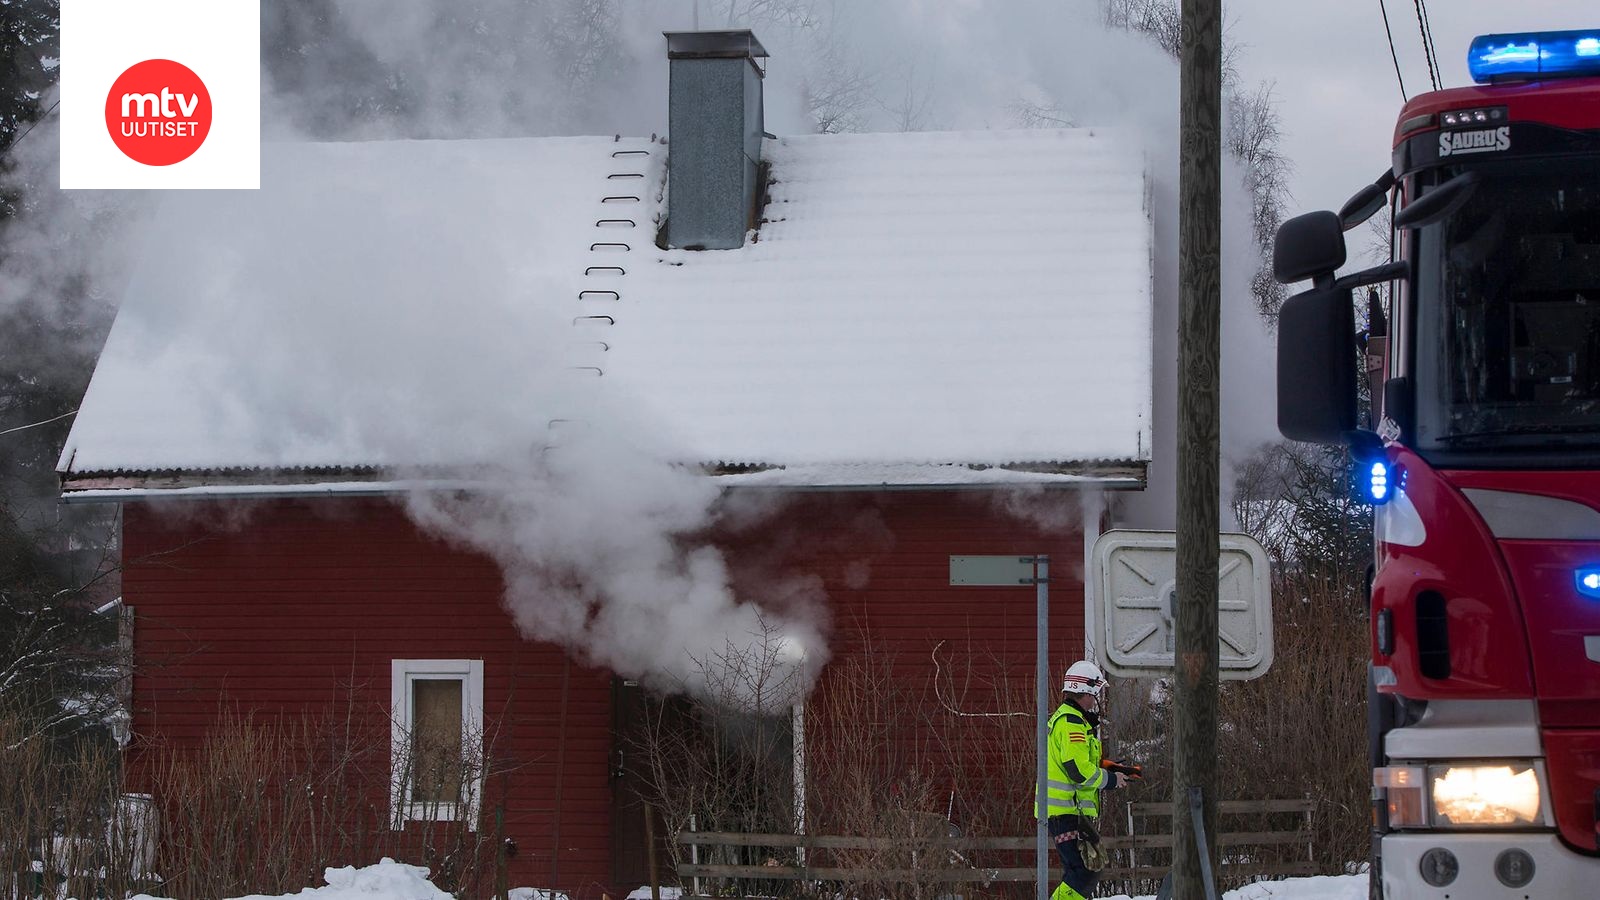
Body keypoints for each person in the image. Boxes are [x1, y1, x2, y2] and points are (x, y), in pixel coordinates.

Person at [1037, 659, 1129, 900]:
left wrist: (1115, 769)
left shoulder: (1074, 721)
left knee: (1080, 871)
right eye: (1096, 693)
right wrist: (1109, 780)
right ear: (1085, 691)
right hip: (1065, 812)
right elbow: (1078, 770)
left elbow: (1083, 762)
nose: (1097, 699)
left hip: (1068, 812)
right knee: (1085, 872)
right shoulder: (1071, 723)